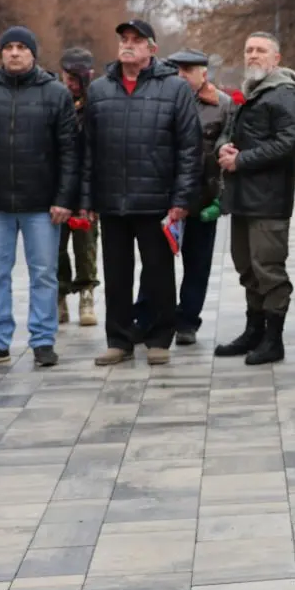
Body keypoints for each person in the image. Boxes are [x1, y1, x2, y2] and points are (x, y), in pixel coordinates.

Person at [80, 19, 202, 366]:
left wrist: (181, 199)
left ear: (152, 48)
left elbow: (189, 149)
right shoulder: (101, 89)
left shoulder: (174, 89)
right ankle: (118, 339)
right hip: (112, 200)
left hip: (157, 200)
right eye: (123, 39)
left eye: (136, 40)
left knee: (159, 273)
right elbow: (88, 148)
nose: (128, 45)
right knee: (116, 274)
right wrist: (86, 199)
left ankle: (160, 337)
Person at [0, 27, 78, 369]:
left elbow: (69, 152)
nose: (14, 53)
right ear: (1, 53)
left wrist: (64, 198)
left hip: (42, 204)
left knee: (44, 273)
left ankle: (43, 341)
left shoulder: (55, 94)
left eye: (21, 47)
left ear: (33, 53)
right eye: (8, 47)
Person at [214, 32, 295, 365]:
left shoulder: (284, 96)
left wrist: (241, 160)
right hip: (242, 199)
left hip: (268, 200)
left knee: (268, 269)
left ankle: (273, 340)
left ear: (276, 59)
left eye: (260, 50)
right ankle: (253, 331)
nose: (252, 55)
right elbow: (231, 132)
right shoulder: (253, 94)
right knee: (247, 269)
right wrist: (223, 147)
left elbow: (287, 145)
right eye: (249, 50)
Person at [131, 49, 231, 346]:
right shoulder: (158, 100)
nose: (182, 75)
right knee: (154, 262)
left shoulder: (222, 105)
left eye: (188, 69)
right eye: (177, 70)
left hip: (203, 196)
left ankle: (187, 320)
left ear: (204, 73)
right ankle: (145, 318)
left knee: (197, 263)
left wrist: (221, 199)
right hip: (164, 196)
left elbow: (229, 147)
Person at [57, 47, 99, 328]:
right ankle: (59, 294)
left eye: (76, 78)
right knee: (55, 247)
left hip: (88, 186)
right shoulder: (56, 100)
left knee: (86, 245)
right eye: (67, 77)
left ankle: (87, 293)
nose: (70, 84)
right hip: (57, 186)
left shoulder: (98, 103)